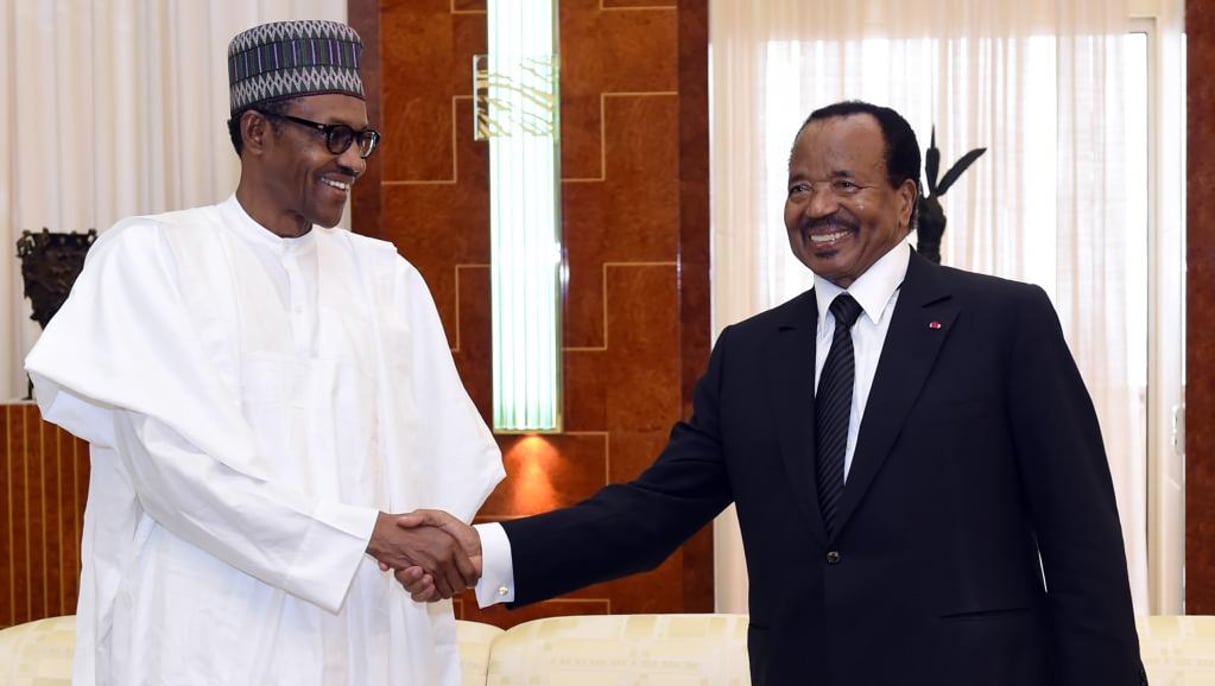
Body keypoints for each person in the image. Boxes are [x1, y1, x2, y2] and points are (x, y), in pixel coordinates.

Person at [396, 101, 1147, 685]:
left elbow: (1081, 542)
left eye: (845, 183)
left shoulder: (1001, 321)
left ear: (905, 199)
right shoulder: (751, 354)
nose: (817, 206)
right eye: (798, 187)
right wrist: (485, 548)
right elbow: (652, 512)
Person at [24, 19, 502, 686]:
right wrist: (365, 534)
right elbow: (174, 473)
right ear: (256, 131)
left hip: (367, 632)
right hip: (206, 637)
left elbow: (446, 454)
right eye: (333, 135)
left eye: (362, 139)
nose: (355, 161)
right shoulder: (153, 259)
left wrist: (426, 551)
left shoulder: (386, 279)